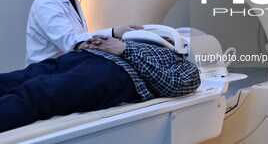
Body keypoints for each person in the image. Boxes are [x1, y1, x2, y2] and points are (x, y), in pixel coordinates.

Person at [0, 36, 201, 133]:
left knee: (40, 90)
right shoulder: (130, 39)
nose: (156, 36)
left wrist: (126, 50)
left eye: (164, 37)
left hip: (119, 71)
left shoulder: (181, 63)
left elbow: (173, 85)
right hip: (83, 56)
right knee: (17, 77)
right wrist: (90, 44)